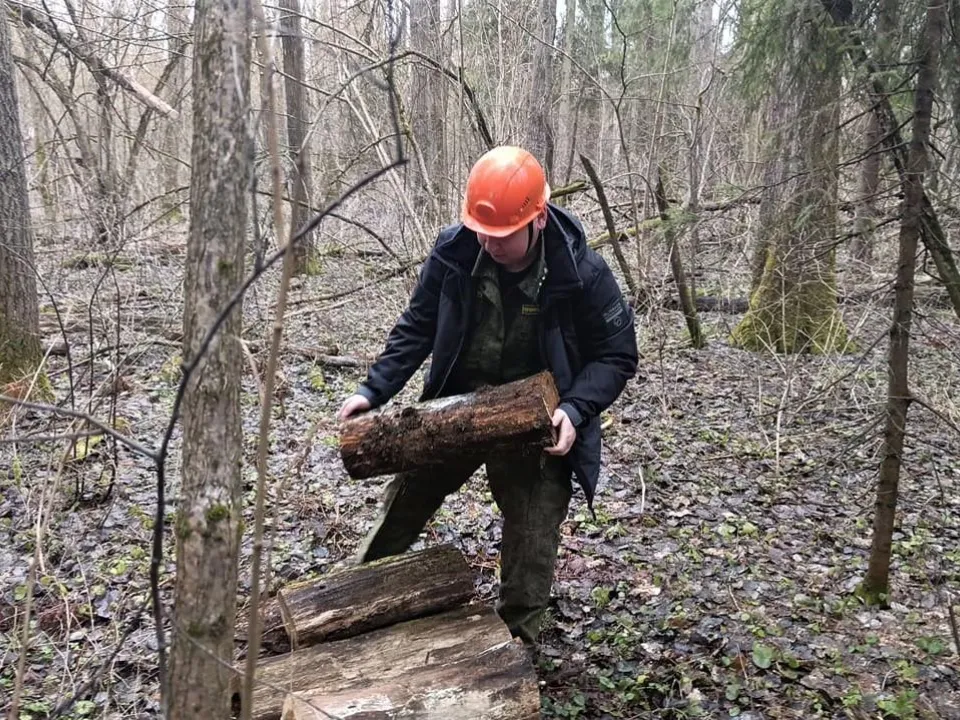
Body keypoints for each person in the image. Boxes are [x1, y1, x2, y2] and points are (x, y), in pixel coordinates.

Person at [338, 145, 638, 650]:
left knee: (532, 531)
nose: (489, 243)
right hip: (455, 406)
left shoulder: (581, 272)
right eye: (482, 231)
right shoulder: (454, 250)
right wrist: (374, 388)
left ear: (537, 219)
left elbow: (617, 355)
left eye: (501, 235)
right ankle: (349, 606)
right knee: (403, 507)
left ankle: (513, 648)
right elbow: (417, 326)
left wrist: (574, 409)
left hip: (537, 420)